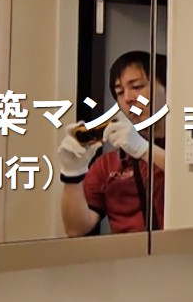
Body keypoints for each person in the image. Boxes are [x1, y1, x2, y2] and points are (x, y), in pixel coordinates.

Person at [57, 51, 167, 236]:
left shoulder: (191, 146)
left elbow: (191, 178)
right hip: (127, 253)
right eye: (119, 92)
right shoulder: (108, 164)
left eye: (137, 86)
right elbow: (76, 229)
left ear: (168, 87)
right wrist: (72, 175)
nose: (127, 98)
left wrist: (145, 150)